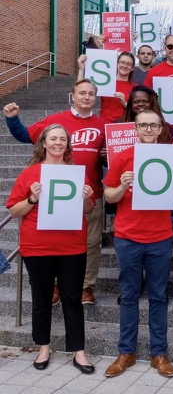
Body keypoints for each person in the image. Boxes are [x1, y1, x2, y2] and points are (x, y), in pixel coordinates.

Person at [3, 79, 106, 305]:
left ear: (95, 97)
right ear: (73, 95)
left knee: (91, 242)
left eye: (91, 93)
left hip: (90, 193)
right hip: (53, 195)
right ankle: (57, 286)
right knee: (57, 242)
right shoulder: (56, 121)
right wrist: (12, 119)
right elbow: (25, 135)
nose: (87, 97)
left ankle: (86, 286)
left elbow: (112, 157)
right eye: (82, 93)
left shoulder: (102, 125)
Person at [6, 124, 96, 374]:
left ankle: (79, 351)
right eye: (53, 139)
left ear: (68, 145)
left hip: (72, 246)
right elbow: (14, 211)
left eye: (63, 139)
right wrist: (32, 199)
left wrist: (87, 197)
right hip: (37, 246)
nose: (58, 143)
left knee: (72, 299)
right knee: (42, 299)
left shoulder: (78, 173)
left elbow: (88, 209)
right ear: (43, 143)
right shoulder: (30, 173)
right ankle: (43, 347)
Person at [103, 110, 173, 378]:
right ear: (135, 128)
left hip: (160, 237)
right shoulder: (123, 156)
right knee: (128, 295)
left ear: (160, 127)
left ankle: (158, 353)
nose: (148, 129)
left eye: (153, 125)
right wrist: (121, 187)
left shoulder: (169, 155)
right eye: (143, 125)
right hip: (127, 236)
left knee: (158, 296)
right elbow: (109, 196)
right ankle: (126, 351)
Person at [77, 51, 137, 124]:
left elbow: (138, 111)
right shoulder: (105, 82)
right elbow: (79, 89)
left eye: (128, 64)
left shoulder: (135, 87)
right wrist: (81, 69)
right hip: (104, 124)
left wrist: (125, 103)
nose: (124, 66)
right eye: (122, 62)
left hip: (125, 127)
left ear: (132, 68)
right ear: (117, 64)